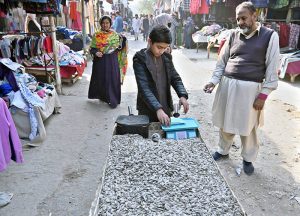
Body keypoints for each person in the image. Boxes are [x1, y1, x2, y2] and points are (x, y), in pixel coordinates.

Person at [203, 1, 279, 175]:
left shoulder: (269, 35)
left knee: (248, 126)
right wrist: (213, 82)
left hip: (250, 90)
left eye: (244, 18)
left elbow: (272, 67)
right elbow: (222, 62)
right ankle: (223, 151)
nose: (240, 22)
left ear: (254, 15)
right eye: (238, 19)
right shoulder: (233, 35)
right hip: (228, 86)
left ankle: (248, 159)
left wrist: (263, 95)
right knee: (226, 122)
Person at [133, 25, 189, 126]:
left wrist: (182, 95)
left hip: (165, 107)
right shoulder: (140, 59)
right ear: (150, 41)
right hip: (147, 109)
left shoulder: (166, 58)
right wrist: (157, 109)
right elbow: (144, 87)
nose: (161, 51)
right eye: (159, 47)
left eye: (165, 48)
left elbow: (175, 78)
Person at [88, 16, 127, 108]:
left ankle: (112, 100)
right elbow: (92, 48)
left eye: (107, 23)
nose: (105, 25)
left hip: (112, 60)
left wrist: (123, 41)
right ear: (101, 24)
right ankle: (103, 97)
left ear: (110, 24)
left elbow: (119, 47)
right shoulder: (96, 35)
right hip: (100, 61)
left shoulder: (115, 35)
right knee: (101, 79)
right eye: (103, 23)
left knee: (112, 79)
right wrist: (96, 52)